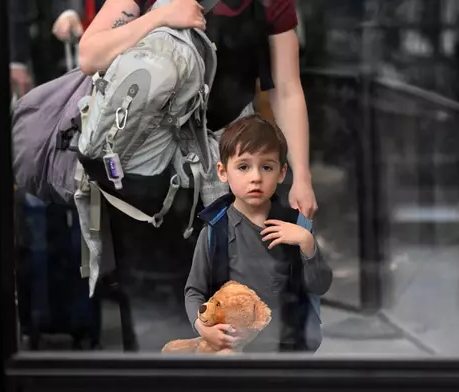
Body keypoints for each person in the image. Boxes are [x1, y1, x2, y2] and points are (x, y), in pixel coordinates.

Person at [76, 0, 317, 350]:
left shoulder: (269, 3)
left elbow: (286, 87)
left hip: (230, 156)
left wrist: (303, 176)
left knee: (239, 297)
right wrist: (162, 15)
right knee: (156, 303)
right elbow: (90, 55)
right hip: (151, 171)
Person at [185, 114, 332, 353]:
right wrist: (202, 327)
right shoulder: (215, 229)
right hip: (235, 345)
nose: (255, 177)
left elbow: (320, 285)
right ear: (222, 172)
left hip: (290, 345)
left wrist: (307, 244)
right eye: (243, 167)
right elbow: (194, 290)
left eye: (266, 167)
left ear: (282, 172)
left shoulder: (297, 225)